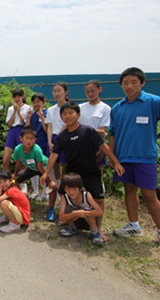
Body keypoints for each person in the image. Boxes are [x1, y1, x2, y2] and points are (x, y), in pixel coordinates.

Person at [109, 67, 160, 252]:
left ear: (142, 83)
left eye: (134, 82)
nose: (129, 86)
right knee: (129, 190)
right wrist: (112, 156)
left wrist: (156, 136)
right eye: (125, 83)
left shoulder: (154, 102)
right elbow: (113, 133)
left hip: (145, 157)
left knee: (150, 195)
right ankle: (134, 225)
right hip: (124, 157)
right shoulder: (118, 108)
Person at [41, 101, 124, 238]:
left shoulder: (88, 130)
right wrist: (45, 173)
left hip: (91, 172)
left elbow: (103, 147)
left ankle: (98, 230)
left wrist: (116, 162)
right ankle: (71, 224)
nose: (67, 116)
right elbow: (54, 155)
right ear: (60, 117)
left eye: (71, 113)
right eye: (64, 114)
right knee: (65, 196)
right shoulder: (62, 136)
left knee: (99, 200)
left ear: (78, 115)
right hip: (73, 174)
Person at [12, 126, 58, 220]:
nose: (29, 141)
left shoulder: (37, 150)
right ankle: (18, 203)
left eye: (31, 138)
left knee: (52, 186)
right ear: (21, 138)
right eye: (27, 138)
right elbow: (18, 162)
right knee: (13, 181)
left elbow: (41, 168)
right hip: (31, 168)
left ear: (35, 140)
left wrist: (49, 180)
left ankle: (51, 209)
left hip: (44, 168)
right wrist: (15, 174)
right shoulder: (17, 149)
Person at [57, 173, 105, 247]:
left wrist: (84, 212)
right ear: (64, 189)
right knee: (69, 208)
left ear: (80, 188)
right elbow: (61, 217)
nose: (71, 192)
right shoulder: (65, 197)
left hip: (89, 221)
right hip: (75, 220)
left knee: (87, 208)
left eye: (74, 189)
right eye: (68, 189)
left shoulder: (86, 195)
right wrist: (76, 213)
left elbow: (99, 212)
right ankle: (72, 227)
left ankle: (94, 232)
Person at [79, 80, 111, 169]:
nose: (90, 94)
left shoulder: (105, 108)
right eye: (87, 92)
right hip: (81, 145)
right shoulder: (80, 108)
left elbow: (101, 131)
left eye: (92, 91)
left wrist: (101, 151)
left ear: (99, 90)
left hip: (97, 145)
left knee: (97, 174)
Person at [26, 93, 50, 200]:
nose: (36, 104)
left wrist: (42, 118)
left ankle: (45, 193)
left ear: (43, 102)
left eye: (38, 102)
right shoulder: (32, 115)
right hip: (32, 145)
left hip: (43, 144)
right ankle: (35, 191)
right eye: (34, 102)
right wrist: (29, 117)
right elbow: (26, 130)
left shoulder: (47, 113)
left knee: (44, 169)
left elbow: (46, 130)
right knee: (32, 167)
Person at [45, 82, 69, 190]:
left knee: (66, 166)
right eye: (54, 91)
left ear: (65, 92)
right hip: (54, 138)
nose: (57, 94)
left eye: (59, 91)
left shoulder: (69, 108)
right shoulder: (51, 109)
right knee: (55, 166)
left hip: (65, 138)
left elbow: (66, 125)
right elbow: (49, 126)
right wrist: (49, 141)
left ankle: (67, 189)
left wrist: (58, 140)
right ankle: (59, 191)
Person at [2, 88, 30, 171]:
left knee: (22, 160)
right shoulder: (11, 109)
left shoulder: (27, 108)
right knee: (5, 160)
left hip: (22, 130)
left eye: (19, 96)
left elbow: (25, 123)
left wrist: (18, 112)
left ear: (23, 97)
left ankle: (22, 182)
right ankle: (6, 180)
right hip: (12, 131)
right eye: (15, 97)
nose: (17, 99)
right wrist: (14, 112)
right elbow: (9, 124)